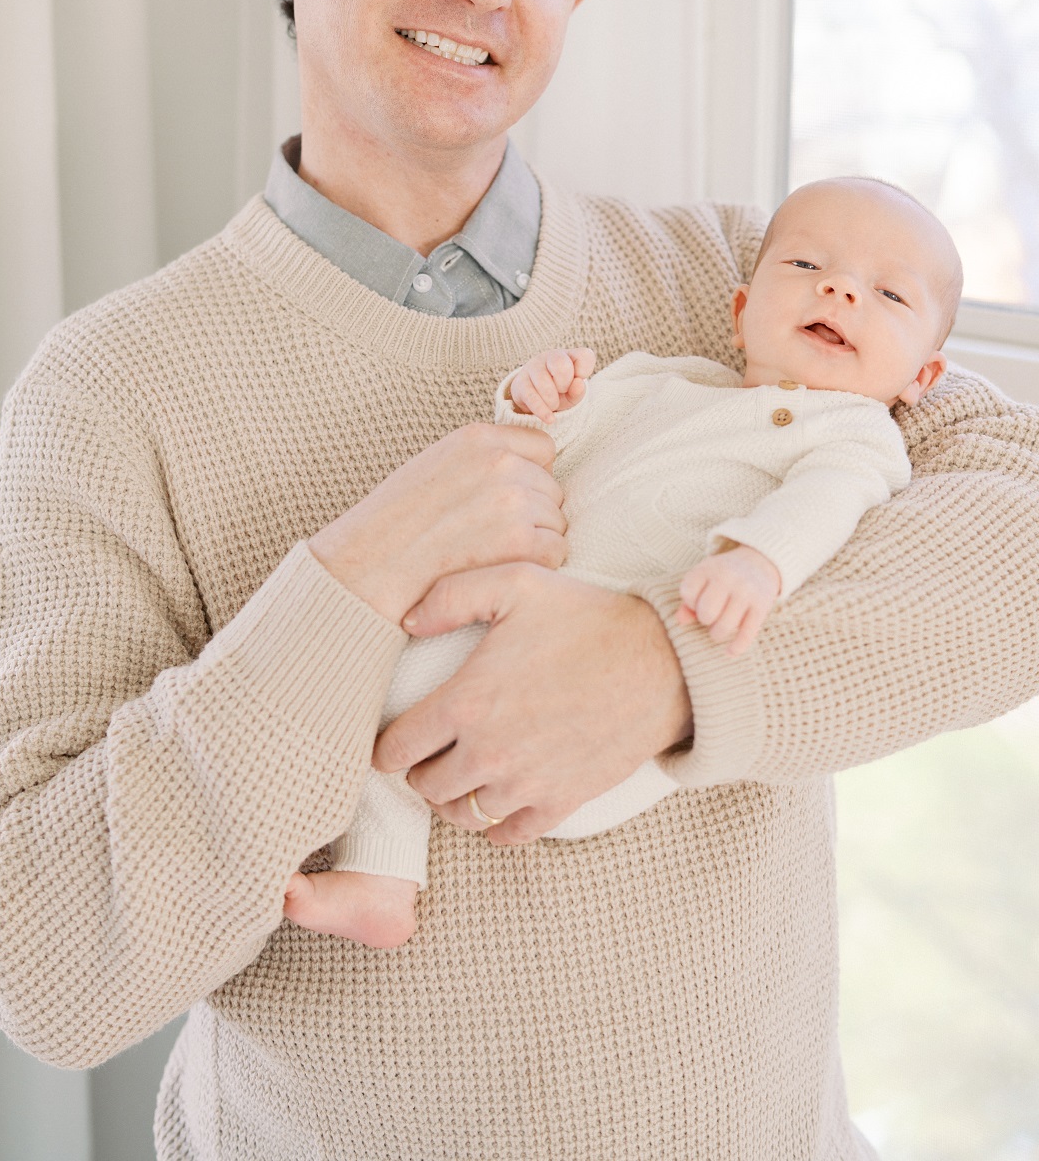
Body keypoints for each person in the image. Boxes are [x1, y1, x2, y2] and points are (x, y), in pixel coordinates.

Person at [0, 0, 1039, 1159]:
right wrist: (354, 581)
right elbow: (41, 965)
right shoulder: (111, 389)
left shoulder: (738, 288)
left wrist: (668, 674)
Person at [286, 173, 962, 950]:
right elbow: (552, 444)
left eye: (889, 295)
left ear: (922, 377)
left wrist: (756, 563)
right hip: (524, 610)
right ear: (742, 315)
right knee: (386, 690)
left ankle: (387, 869)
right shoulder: (662, 380)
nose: (841, 290)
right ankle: (382, 878)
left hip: (608, 705)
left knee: (403, 702)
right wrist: (540, 399)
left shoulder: (852, 433)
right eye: (807, 268)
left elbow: (829, 502)